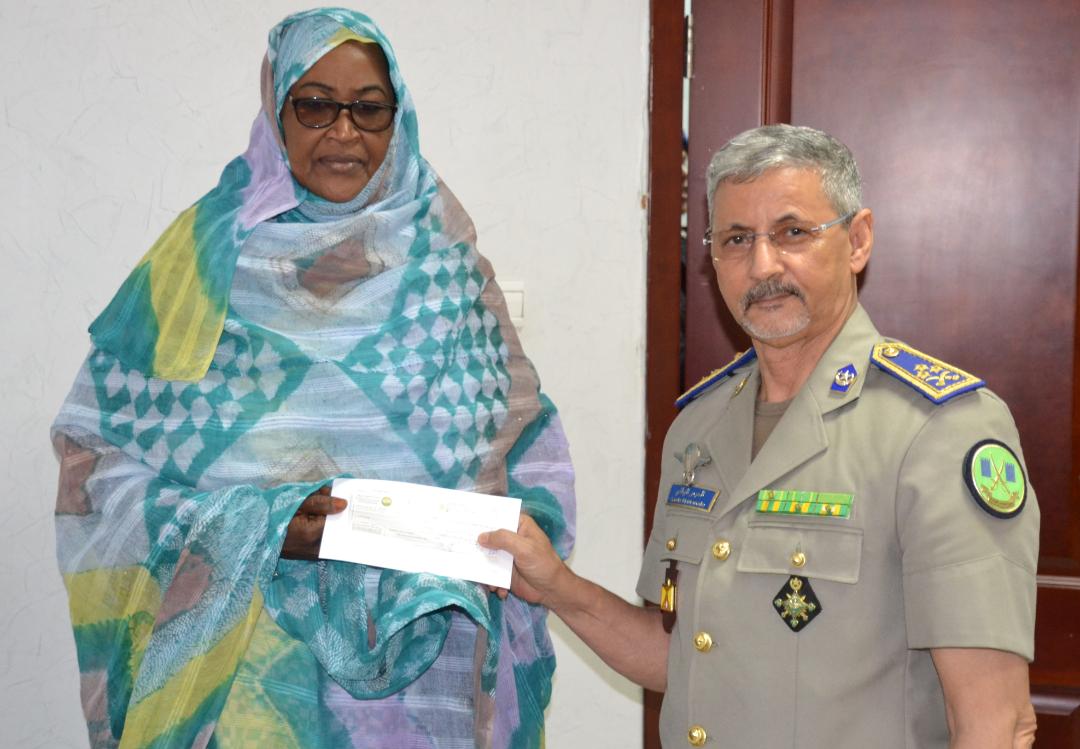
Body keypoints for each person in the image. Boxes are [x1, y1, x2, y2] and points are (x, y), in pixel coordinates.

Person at [51, 8, 574, 749]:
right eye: (315, 104)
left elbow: (527, 452)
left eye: (369, 108)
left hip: (427, 674)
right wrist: (259, 527)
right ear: (277, 111)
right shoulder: (197, 266)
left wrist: (503, 544)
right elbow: (96, 465)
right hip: (246, 673)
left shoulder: (446, 268)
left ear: (399, 117)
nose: (344, 132)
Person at [481, 124, 1039, 747]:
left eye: (793, 232)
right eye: (737, 239)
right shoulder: (698, 428)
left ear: (857, 241)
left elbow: (996, 722)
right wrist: (558, 588)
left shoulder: (938, 430)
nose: (763, 265)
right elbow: (684, 659)